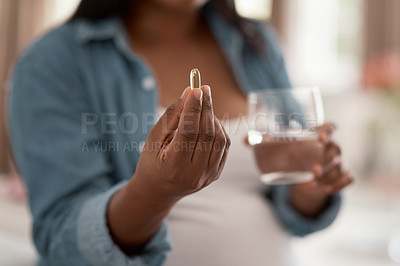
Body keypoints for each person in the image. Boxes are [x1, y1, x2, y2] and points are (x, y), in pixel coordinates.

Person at [8, 0, 352, 265]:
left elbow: (292, 212)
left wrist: (307, 188)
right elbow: (60, 239)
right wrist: (154, 192)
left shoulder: (256, 43)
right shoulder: (52, 63)